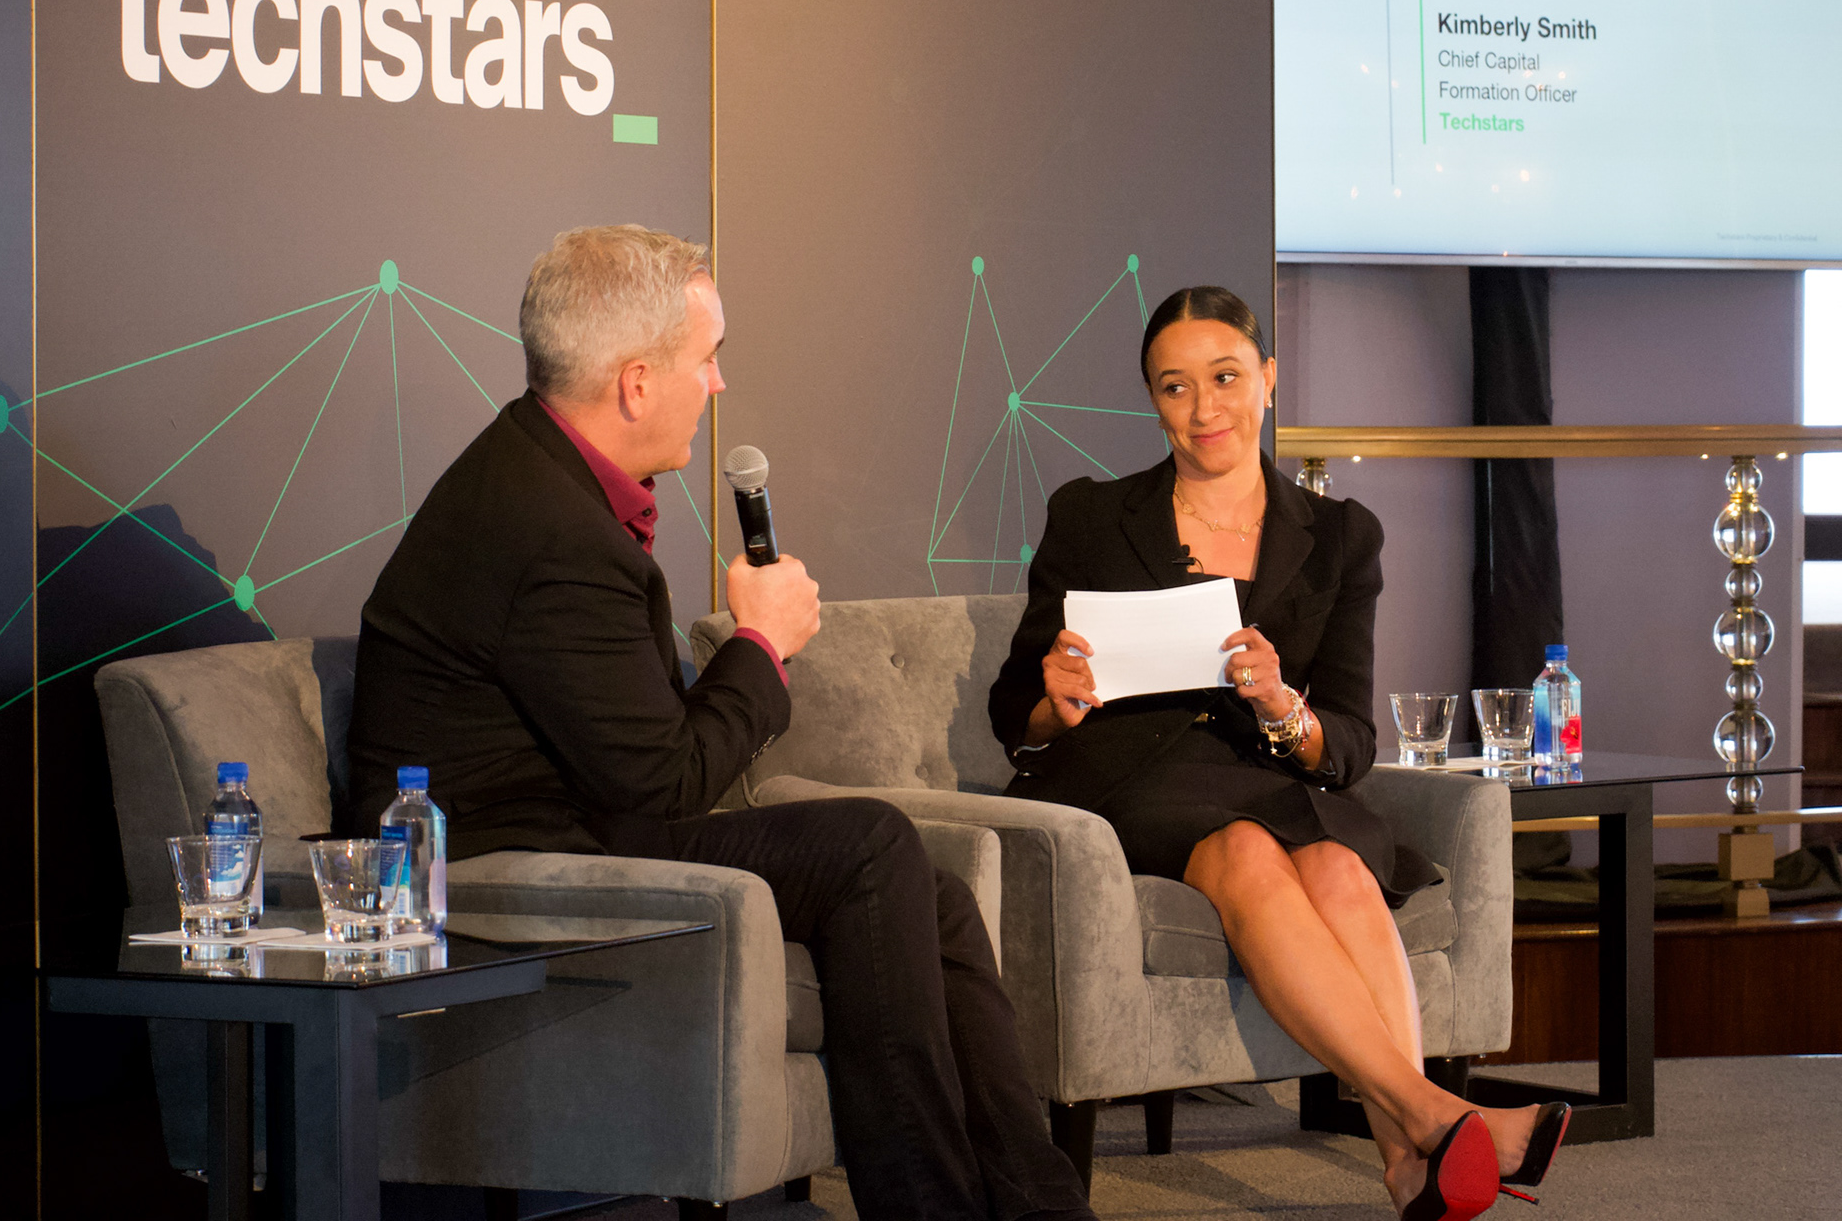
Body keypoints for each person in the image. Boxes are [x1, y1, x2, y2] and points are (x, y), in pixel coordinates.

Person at [347, 225, 1095, 1221]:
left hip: (582, 822)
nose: (720, 383)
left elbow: (641, 751)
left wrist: (748, 653)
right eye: (708, 359)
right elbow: (665, 780)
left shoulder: (541, 479)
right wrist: (761, 641)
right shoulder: (549, 528)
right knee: (869, 843)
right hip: (502, 868)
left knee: (937, 893)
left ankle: (1044, 1210)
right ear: (637, 382)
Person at [986, 287, 1568, 1221]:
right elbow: (1012, 708)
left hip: (1271, 777)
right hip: (1133, 777)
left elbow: (1350, 741)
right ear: (1153, 400)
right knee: (1246, 850)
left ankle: (1408, 1161)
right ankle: (1432, 1114)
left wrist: (1282, 706)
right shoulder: (1091, 516)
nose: (1203, 408)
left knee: (1339, 864)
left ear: (1266, 378)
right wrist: (1051, 702)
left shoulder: (1340, 536)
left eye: (1224, 378)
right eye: (1174, 387)